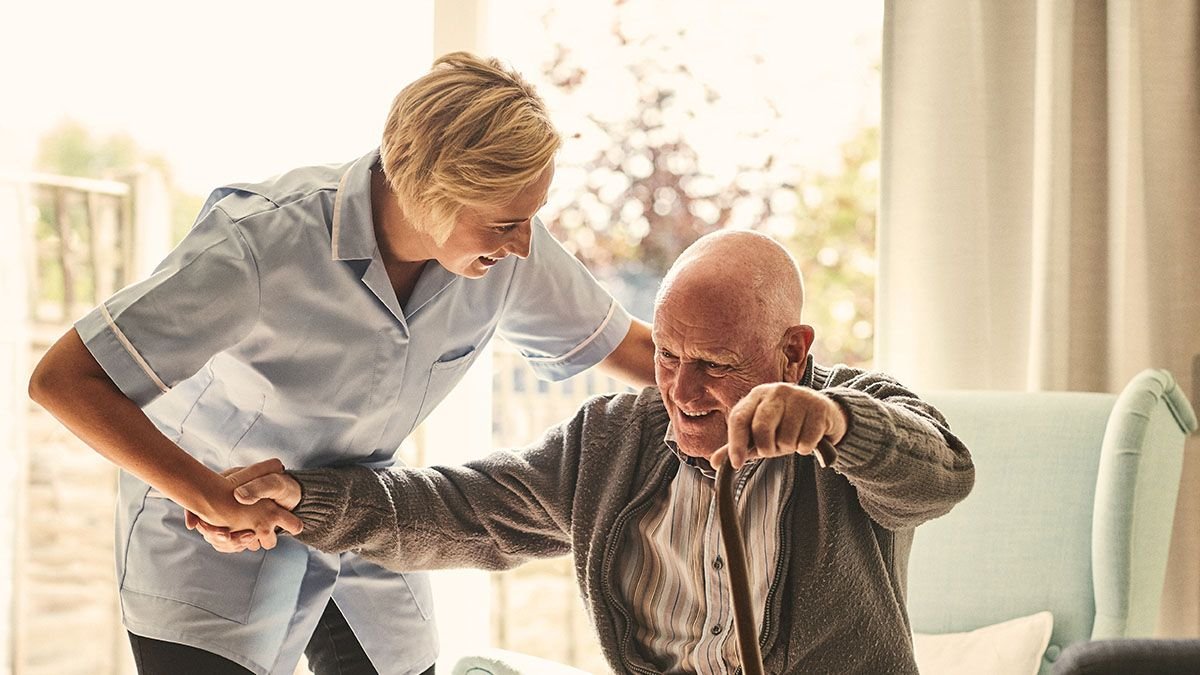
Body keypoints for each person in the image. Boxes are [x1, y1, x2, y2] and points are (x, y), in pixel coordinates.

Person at [27, 52, 655, 675]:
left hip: (362, 522)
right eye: (506, 223)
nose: (523, 242)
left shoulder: (506, 248)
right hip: (211, 532)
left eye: (532, 217)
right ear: (432, 194)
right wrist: (207, 495)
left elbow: (637, 350)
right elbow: (64, 379)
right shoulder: (259, 244)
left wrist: (749, 397)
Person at [210, 230, 976, 674]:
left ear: (792, 348)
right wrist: (306, 500)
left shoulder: (852, 415)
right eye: (669, 353)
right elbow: (463, 510)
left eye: (716, 364)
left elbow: (940, 476)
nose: (682, 388)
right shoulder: (614, 440)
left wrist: (837, 421)